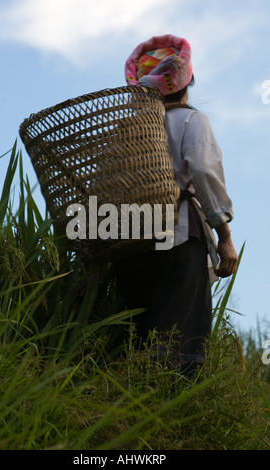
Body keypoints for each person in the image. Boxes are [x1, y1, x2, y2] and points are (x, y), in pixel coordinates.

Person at [114, 34, 238, 374]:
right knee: (178, 345)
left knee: (137, 337)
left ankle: (130, 405)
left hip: (128, 243)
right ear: (187, 81)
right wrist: (224, 237)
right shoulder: (191, 121)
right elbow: (202, 170)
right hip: (180, 238)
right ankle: (167, 411)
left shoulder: (127, 128)